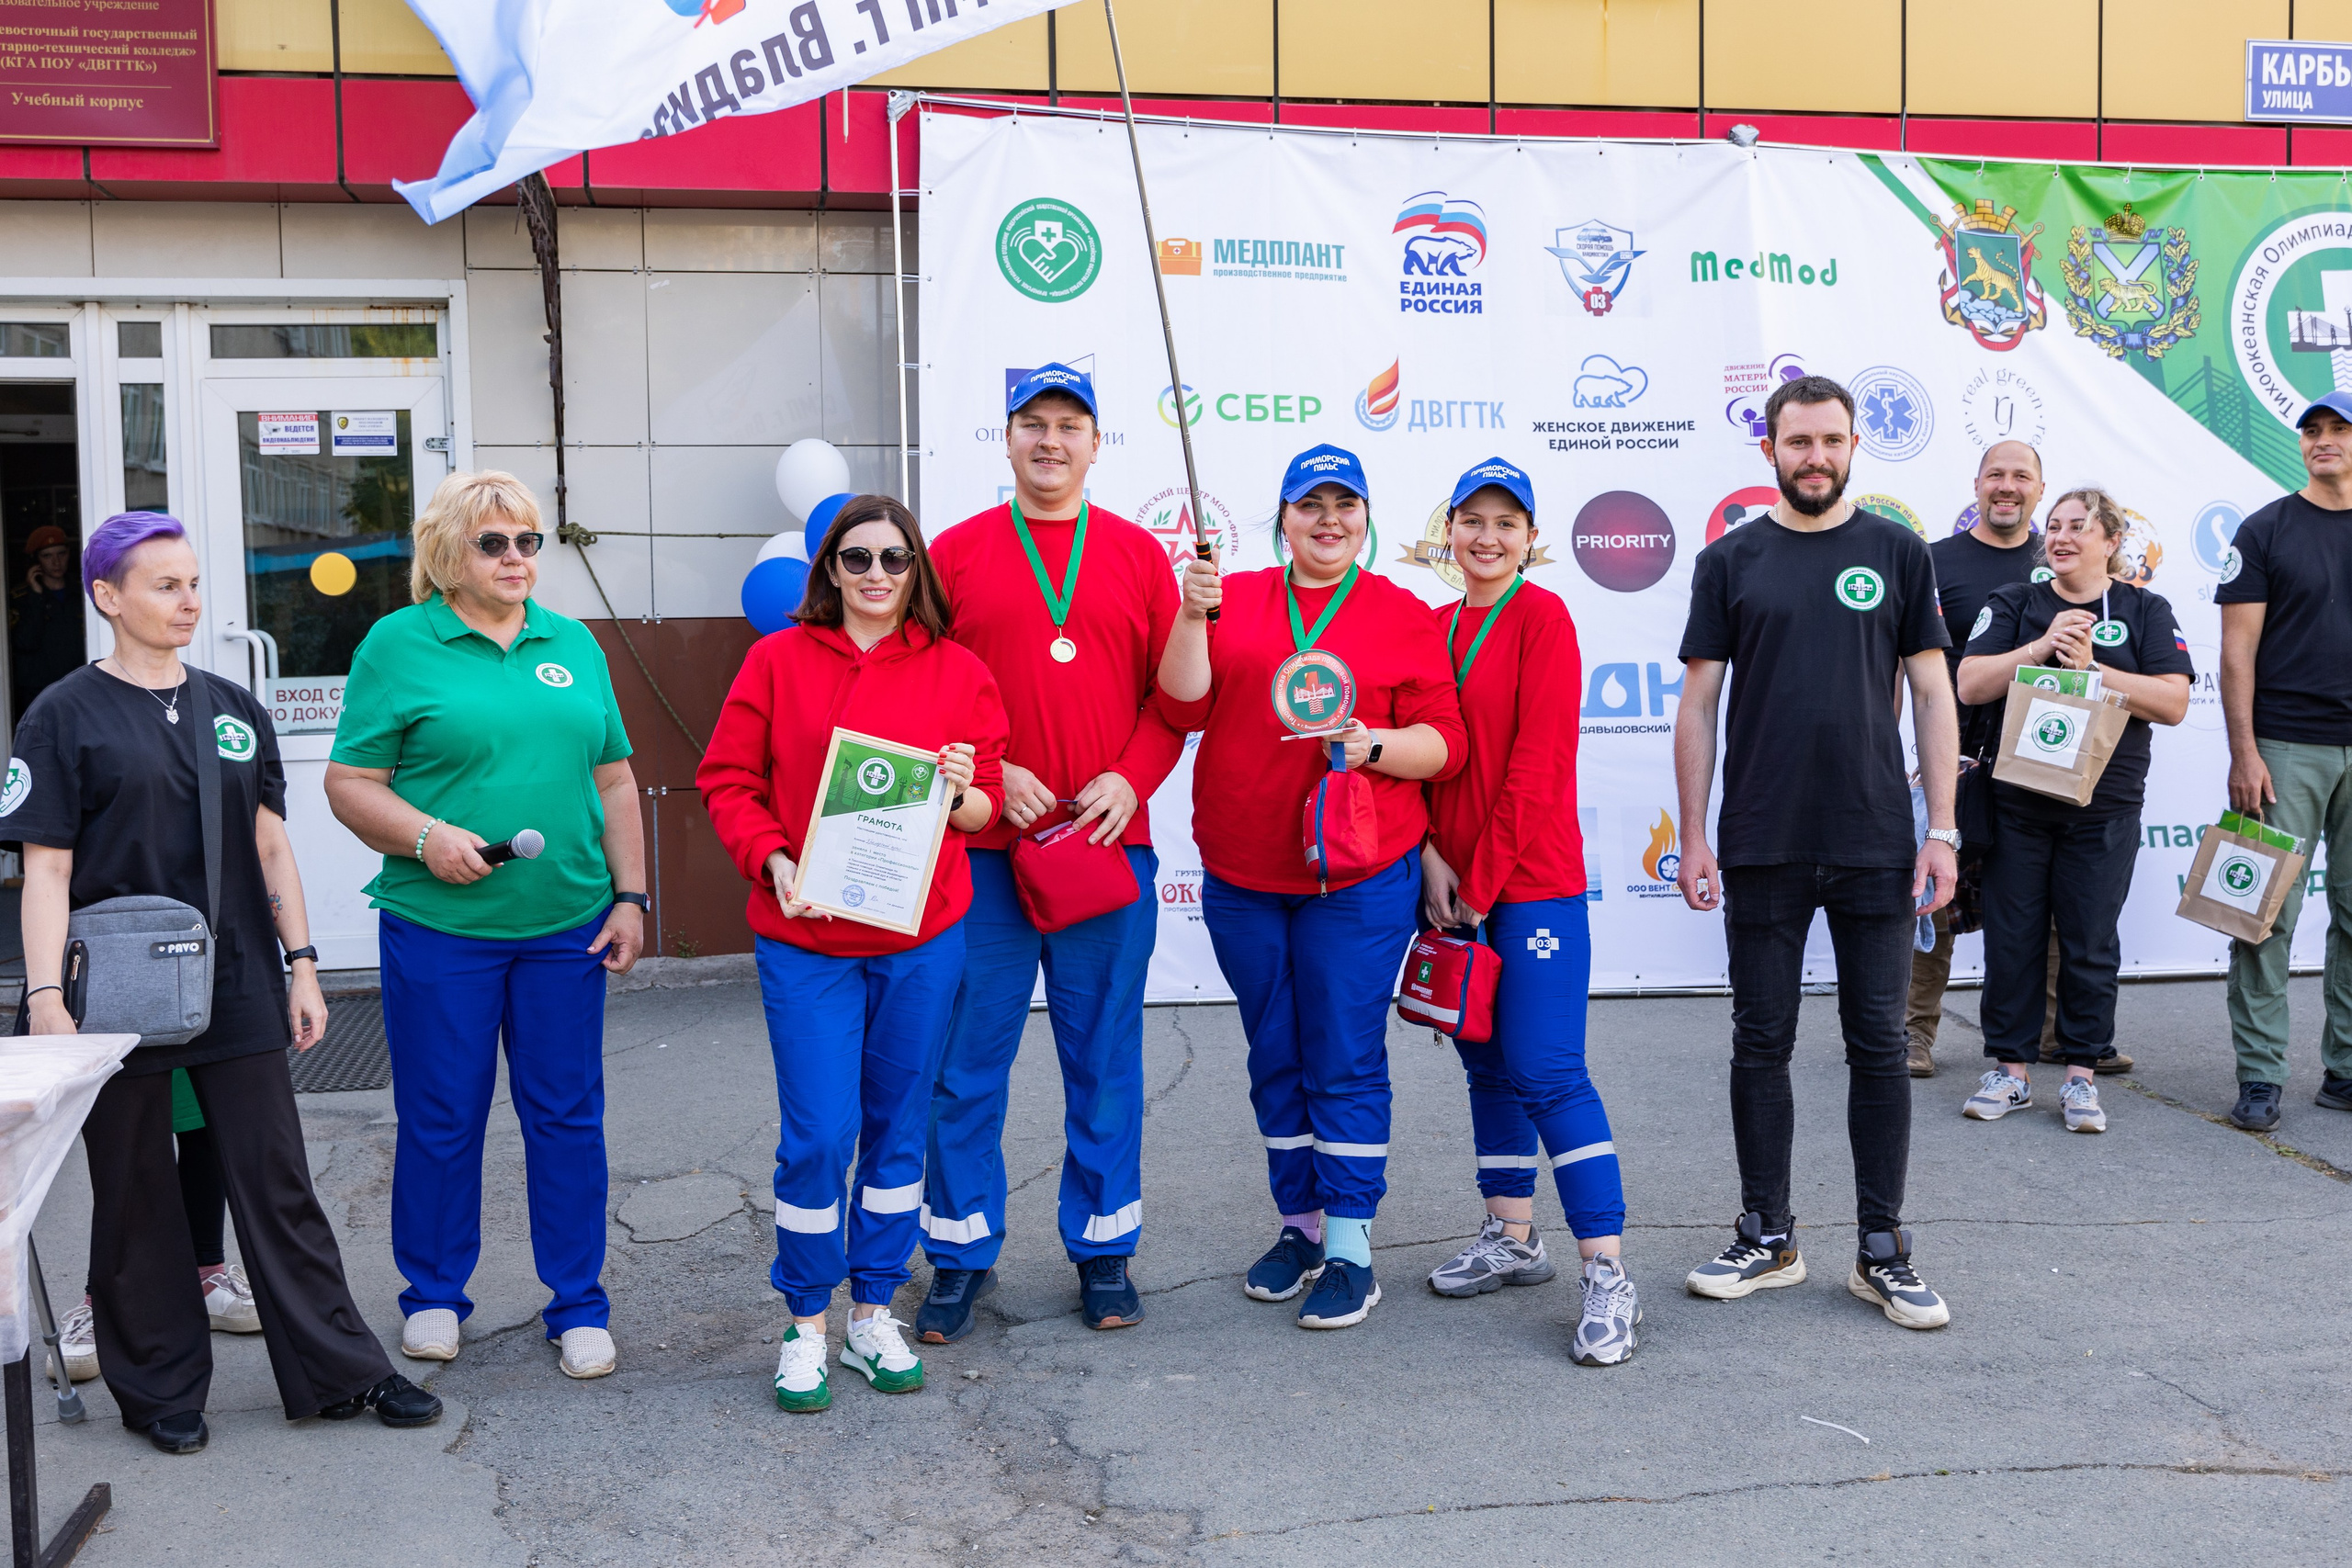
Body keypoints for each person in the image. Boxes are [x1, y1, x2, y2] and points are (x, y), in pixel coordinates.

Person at [12, 510, 437, 1455]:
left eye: (194, 582)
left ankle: (340, 1370)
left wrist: (305, 964)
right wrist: (48, 997)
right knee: (133, 1189)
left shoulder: (232, 708)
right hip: (112, 986)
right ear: (108, 597)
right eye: (165, 585)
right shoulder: (61, 715)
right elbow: (45, 870)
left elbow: (271, 844)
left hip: (238, 973)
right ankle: (159, 1385)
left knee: (276, 1178)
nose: (188, 601)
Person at [323, 470, 646, 1381]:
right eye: (493, 543)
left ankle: (577, 1302)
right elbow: (350, 783)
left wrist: (631, 896)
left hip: (567, 926)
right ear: (447, 556)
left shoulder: (572, 643)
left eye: (529, 541)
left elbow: (614, 777)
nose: (516, 559)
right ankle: (432, 1295)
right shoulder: (398, 644)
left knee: (568, 1117)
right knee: (441, 1116)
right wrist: (425, 837)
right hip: (441, 929)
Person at [698, 494, 1009, 1414]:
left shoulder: (959, 671)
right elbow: (727, 780)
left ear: (918, 572)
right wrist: (775, 857)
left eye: (894, 559)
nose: (877, 575)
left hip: (920, 936)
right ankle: (805, 1320)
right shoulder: (776, 660)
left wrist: (959, 792)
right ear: (827, 571)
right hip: (807, 935)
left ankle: (873, 1307)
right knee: (821, 1133)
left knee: (897, 1125)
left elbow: (986, 808)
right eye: (857, 559)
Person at [1672, 376, 1959, 1331]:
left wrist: (1943, 830)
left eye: (1832, 441)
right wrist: (1694, 833)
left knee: (1877, 1044)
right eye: (1799, 442)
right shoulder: (1729, 561)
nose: (1816, 457)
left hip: (1876, 840)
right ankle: (1768, 1234)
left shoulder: (1896, 552)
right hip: (1760, 840)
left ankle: (1881, 1249)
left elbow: (1931, 695)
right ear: (1769, 451)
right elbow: (1700, 706)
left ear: (1852, 447)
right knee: (1761, 1041)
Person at [1159, 444, 1464, 1330]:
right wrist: (1189, 615)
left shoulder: (1400, 612)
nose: (1328, 520)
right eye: (1309, 504)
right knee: (1275, 1051)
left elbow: (1446, 743)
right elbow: (1181, 706)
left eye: (1345, 504)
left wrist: (1372, 744)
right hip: (1245, 874)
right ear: (1282, 516)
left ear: (1366, 516)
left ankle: (1353, 1244)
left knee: (1343, 1051)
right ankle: (1298, 1225)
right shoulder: (1236, 596)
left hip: (1358, 876)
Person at [918, 365, 1182, 1341]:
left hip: (1105, 849)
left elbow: (1176, 701)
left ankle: (1104, 1251)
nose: (1051, 441)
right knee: (963, 1063)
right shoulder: (954, 556)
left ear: (1096, 443)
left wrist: (1133, 777)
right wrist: (996, 768)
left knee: (1104, 1058)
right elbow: (923, 689)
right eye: (1033, 423)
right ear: (1007, 438)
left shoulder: (1137, 557)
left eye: (1071, 425)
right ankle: (957, 1255)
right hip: (982, 851)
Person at [1417, 457, 1638, 1366]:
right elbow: (1426, 758)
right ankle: (1512, 1238)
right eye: (1472, 519)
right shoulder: (1431, 628)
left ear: (1530, 541)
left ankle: (1608, 1272)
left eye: (1506, 524)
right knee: (1487, 1066)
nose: (1486, 537)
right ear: (1449, 530)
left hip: (1530, 883)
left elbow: (1536, 769)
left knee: (1547, 1069)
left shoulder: (1541, 617)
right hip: (1453, 885)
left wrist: (1478, 882)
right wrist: (1433, 859)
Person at [1955, 488, 2191, 1134]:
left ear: (2111, 540)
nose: (2059, 536)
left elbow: (2172, 702)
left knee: (2089, 941)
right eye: (2052, 526)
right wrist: (2041, 646)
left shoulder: (2144, 609)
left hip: (2104, 807)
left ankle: (2082, 1075)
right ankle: (2010, 1070)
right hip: (2017, 803)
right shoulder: (2017, 602)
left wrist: (2096, 669)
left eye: (2077, 527)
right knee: (2014, 939)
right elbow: (1970, 682)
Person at [2218, 392, 2352, 1131]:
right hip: (2285, 747)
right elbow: (2236, 650)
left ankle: (2347, 1068)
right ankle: (2262, 1075)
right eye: (2312, 431)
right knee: (2262, 916)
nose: (2322, 440)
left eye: (2337, 429)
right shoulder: (2265, 528)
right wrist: (2245, 750)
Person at [1907, 441, 2045, 1079]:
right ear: (1977, 485)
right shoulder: (1936, 562)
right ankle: (1912, 1035)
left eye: (2022, 476)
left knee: (2041, 898)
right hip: (1955, 758)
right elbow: (1901, 665)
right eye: (1997, 475)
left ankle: (2050, 1030)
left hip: (2046, 761)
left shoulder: (2064, 561)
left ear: (2040, 489)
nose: (2008, 486)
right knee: (1933, 895)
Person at [10, 522, 85, 717]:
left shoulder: (82, 591)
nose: (56, 562)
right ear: (36, 561)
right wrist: (36, 596)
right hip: (38, 691)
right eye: (47, 556)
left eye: (61, 553)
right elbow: (25, 642)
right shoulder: (21, 597)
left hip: (78, 685)